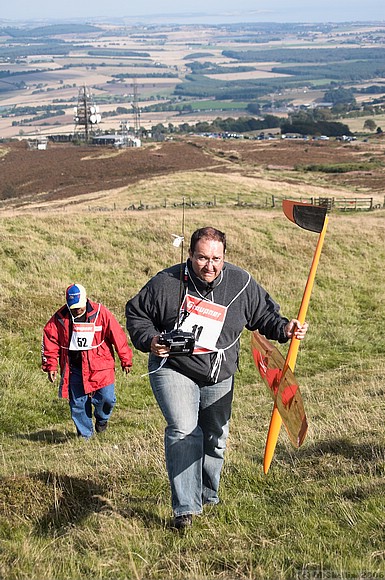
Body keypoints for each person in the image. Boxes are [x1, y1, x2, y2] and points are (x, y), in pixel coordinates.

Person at [125, 227, 308, 530]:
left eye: (216, 259)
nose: (209, 266)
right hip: (174, 367)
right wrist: (151, 339)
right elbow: (137, 314)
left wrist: (285, 329)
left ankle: (208, 497)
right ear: (190, 256)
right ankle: (186, 509)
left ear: (224, 257)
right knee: (184, 430)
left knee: (215, 438)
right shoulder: (165, 283)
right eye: (201, 258)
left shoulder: (240, 283)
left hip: (219, 374)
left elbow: (264, 316)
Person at [42, 283, 133, 439]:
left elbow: (117, 335)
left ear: (85, 300)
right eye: (73, 307)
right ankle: (85, 437)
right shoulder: (59, 318)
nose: (76, 310)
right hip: (74, 367)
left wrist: (125, 359)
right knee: (78, 403)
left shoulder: (101, 313)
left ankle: (102, 419)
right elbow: (50, 340)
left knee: (107, 398)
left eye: (79, 306)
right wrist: (51, 366)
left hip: (100, 365)